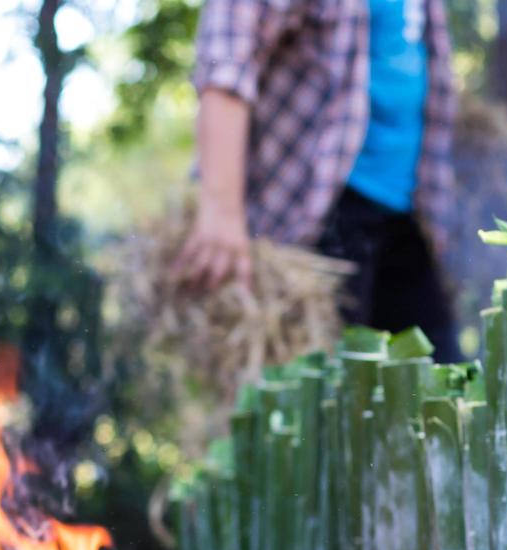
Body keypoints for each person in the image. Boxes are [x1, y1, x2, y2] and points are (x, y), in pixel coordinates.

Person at [177, 0, 461, 361]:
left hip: (408, 212)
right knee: (327, 390)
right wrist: (221, 210)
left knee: (439, 387)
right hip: (320, 215)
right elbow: (228, 57)